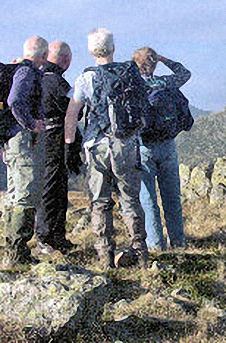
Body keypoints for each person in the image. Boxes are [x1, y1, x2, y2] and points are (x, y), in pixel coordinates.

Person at [64, 28, 148, 269]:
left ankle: (105, 258)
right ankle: (140, 253)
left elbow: (72, 116)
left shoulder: (85, 78)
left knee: (100, 202)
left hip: (96, 146)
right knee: (130, 199)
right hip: (126, 143)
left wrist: (70, 147)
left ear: (91, 51)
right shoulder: (129, 74)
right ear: (113, 48)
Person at [132, 47, 191, 250]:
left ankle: (156, 244)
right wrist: (164, 59)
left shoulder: (132, 85)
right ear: (154, 63)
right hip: (167, 145)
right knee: (172, 197)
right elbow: (185, 73)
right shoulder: (166, 83)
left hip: (143, 145)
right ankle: (178, 242)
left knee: (148, 199)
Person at [1, 36, 47, 267]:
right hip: (22, 141)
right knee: (26, 194)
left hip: (11, 140)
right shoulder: (27, 73)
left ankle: (12, 250)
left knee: (15, 193)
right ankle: (17, 254)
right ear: (44, 56)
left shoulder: (19, 70)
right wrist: (31, 124)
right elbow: (15, 100)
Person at [36, 41, 82, 254]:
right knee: (54, 186)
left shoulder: (38, 78)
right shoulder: (56, 82)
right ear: (65, 59)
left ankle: (52, 236)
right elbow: (75, 110)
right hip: (55, 138)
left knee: (50, 185)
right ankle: (48, 236)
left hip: (40, 138)